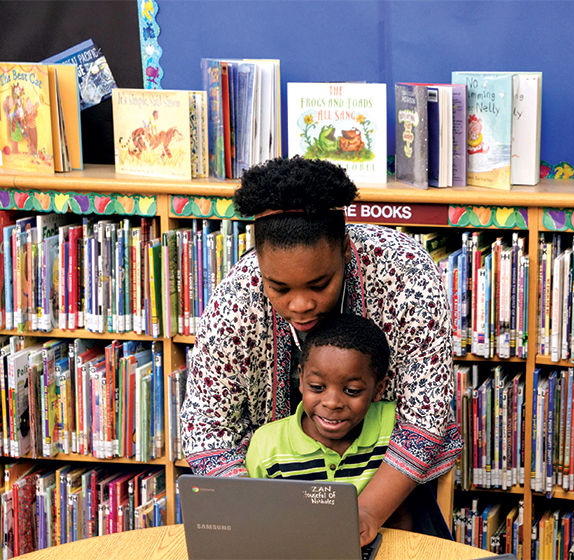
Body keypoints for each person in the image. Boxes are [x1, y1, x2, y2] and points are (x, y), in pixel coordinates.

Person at [181, 156, 461, 546]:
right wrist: (258, 518)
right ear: (259, 266)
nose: (299, 305)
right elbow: (204, 428)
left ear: (345, 250)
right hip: (271, 490)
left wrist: (366, 513)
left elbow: (427, 416)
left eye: (318, 284)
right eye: (279, 288)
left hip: (390, 485)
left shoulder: (406, 273)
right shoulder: (236, 297)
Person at [245, 314, 395, 494]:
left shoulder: (394, 426)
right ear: (301, 379)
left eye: (352, 391)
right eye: (317, 387)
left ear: (379, 389)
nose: (331, 403)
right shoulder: (267, 446)